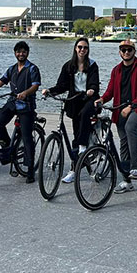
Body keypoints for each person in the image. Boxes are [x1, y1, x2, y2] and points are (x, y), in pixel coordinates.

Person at [99, 38, 137, 194]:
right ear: (119, 52)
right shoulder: (116, 70)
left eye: (129, 50)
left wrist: (131, 106)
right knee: (123, 143)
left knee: (131, 126)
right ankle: (126, 181)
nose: (126, 52)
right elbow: (110, 90)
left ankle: (136, 166)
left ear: (134, 52)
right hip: (120, 111)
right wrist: (102, 99)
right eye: (123, 50)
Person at [0, 41, 41, 183]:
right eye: (18, 51)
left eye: (24, 51)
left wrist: (25, 93)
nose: (21, 54)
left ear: (27, 53)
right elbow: (0, 82)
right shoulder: (12, 69)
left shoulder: (32, 68)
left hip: (26, 106)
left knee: (27, 138)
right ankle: (8, 146)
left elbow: (35, 86)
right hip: (12, 103)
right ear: (15, 53)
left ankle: (30, 170)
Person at [42, 37, 101, 184]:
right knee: (75, 132)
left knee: (84, 115)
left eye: (85, 48)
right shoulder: (68, 66)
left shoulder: (92, 65)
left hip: (89, 99)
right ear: (75, 48)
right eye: (80, 47)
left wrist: (91, 90)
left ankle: (83, 148)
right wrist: (49, 91)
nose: (82, 50)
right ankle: (74, 170)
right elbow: (61, 85)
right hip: (75, 100)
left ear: (88, 50)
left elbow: (94, 83)